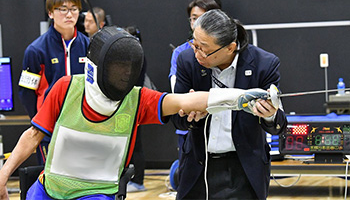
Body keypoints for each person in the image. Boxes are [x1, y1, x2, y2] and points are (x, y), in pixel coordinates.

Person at [0, 26, 215, 200]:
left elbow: (184, 101)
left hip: (96, 194)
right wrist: (3, 175)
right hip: (48, 190)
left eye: (129, 67)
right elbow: (33, 135)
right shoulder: (66, 88)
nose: (125, 73)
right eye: (117, 66)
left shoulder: (137, 99)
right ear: (98, 66)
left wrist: (238, 97)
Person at [172, 9, 288, 200]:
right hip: (198, 165)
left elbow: (279, 125)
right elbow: (177, 120)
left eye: (204, 49)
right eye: (194, 43)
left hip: (244, 168)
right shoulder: (187, 60)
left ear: (230, 47)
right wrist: (189, 114)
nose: (197, 53)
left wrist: (269, 114)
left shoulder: (263, 64)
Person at [18, 0, 90, 165]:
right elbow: (26, 92)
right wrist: (40, 123)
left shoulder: (89, 46)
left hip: (83, 126)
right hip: (49, 131)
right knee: (51, 181)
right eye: (62, 9)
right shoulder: (35, 50)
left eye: (74, 9)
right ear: (51, 13)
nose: (69, 15)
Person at [169, 0, 221, 163]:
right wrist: (189, 101)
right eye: (193, 18)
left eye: (200, 18)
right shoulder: (181, 53)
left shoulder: (223, 49)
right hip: (190, 124)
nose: (195, 23)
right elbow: (176, 88)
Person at [123, 25, 147, 192]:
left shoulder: (137, 58)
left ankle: (138, 181)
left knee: (135, 144)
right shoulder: (133, 57)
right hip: (128, 103)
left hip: (133, 104)